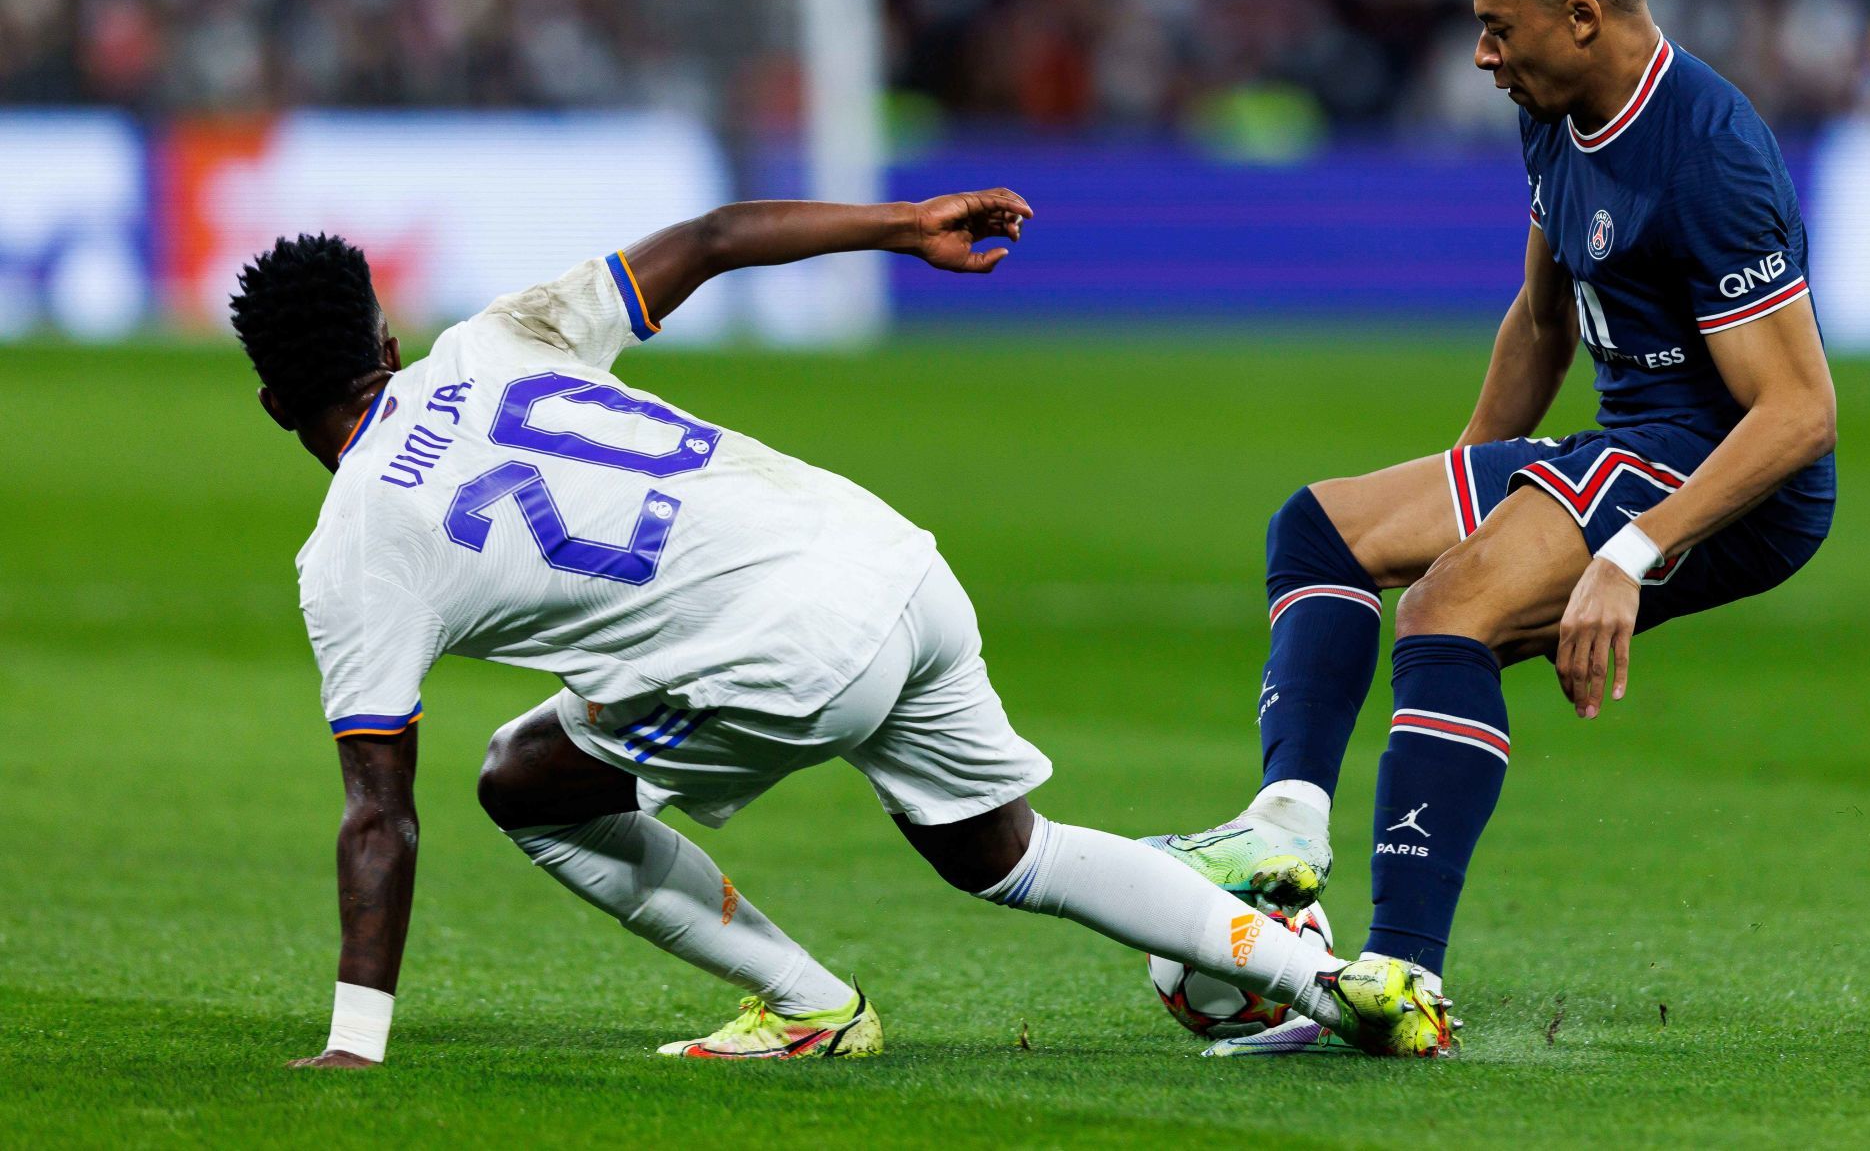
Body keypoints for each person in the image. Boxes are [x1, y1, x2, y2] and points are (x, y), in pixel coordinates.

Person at [230, 191, 1451, 1067]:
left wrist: (354, 1041)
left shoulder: (351, 551)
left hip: (788, 650)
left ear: (277, 403)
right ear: (387, 340)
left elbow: (378, 810)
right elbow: (712, 239)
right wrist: (904, 225)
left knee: (523, 782)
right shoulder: (498, 337)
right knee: (1004, 851)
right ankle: (1331, 980)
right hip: (892, 559)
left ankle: (807, 1004)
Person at [1150, 0, 1837, 1057]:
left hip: (1724, 473)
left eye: (1496, 27)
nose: (1480, 53)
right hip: (1620, 444)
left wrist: (1629, 553)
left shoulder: (1710, 152)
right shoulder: (1550, 109)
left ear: (1581, 17)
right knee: (1317, 529)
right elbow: (1539, 318)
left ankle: (1398, 976)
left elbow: (1799, 412)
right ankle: (1283, 830)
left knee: (1444, 608)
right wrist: (1466, 482)